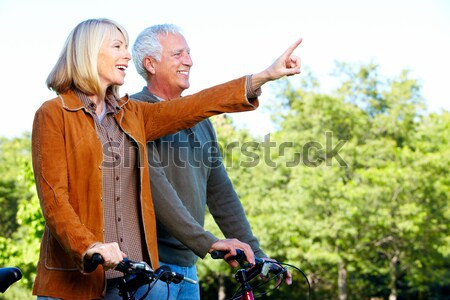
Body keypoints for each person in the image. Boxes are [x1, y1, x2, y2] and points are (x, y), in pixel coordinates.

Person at [31, 18, 301, 299]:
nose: (126, 54)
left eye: (126, 47)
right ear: (88, 52)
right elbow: (55, 201)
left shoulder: (132, 114)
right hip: (75, 282)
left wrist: (263, 76)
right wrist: (88, 246)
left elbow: (198, 105)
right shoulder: (53, 114)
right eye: (118, 46)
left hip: (130, 283)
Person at [130, 24, 296, 299]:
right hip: (152, 269)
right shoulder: (134, 113)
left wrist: (257, 254)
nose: (189, 61)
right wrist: (208, 242)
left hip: (188, 269)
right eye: (177, 54)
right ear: (150, 64)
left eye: (189, 53)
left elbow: (221, 194)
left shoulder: (202, 124)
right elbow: (158, 195)